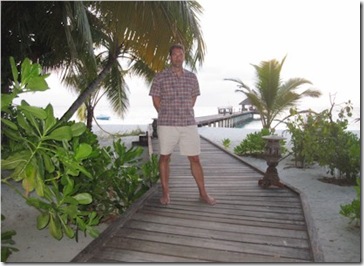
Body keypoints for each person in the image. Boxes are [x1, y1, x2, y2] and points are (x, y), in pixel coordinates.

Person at [149, 43, 216, 206]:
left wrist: (183, 109)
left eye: (180, 54)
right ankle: (166, 193)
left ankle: (203, 193)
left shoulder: (192, 77)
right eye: (174, 54)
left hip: (188, 123)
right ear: (170, 57)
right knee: (165, 157)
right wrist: (165, 113)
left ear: (184, 56)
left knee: (195, 158)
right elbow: (156, 99)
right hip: (167, 123)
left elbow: (193, 99)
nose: (178, 57)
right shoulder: (160, 77)